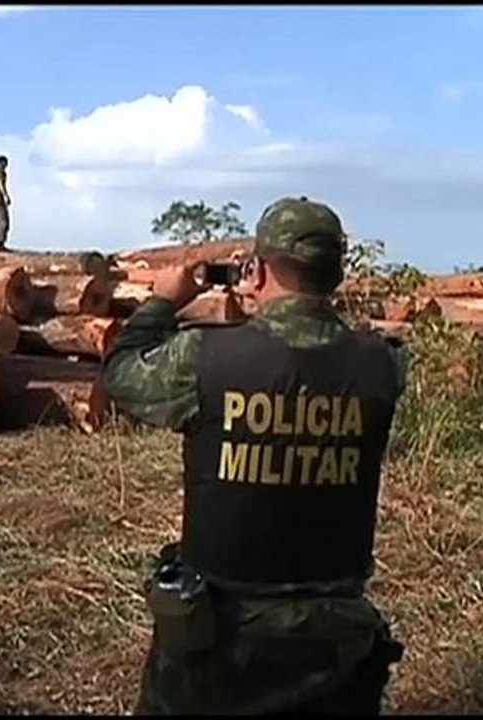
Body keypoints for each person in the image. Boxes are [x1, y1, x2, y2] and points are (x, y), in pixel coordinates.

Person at [101, 196, 408, 715]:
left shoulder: (206, 356)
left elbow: (121, 376)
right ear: (335, 274)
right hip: (334, 640)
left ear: (257, 269)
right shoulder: (384, 364)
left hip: (220, 636)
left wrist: (162, 303)